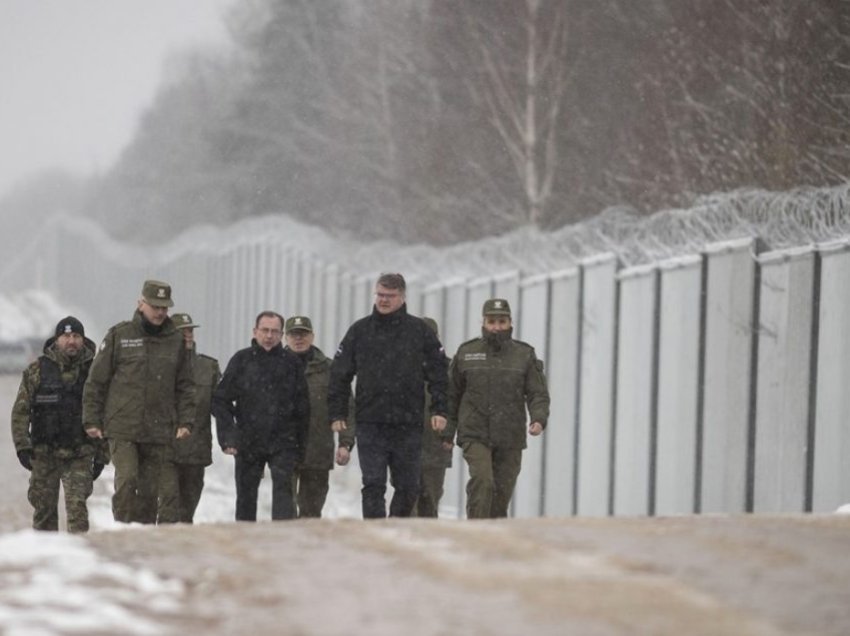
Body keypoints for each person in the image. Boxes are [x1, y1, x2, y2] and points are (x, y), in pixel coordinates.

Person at [329, 272, 449, 519]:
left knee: (408, 487)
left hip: (408, 423)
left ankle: (397, 526)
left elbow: (439, 371)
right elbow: (340, 373)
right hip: (370, 422)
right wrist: (338, 412)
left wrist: (439, 409)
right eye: (380, 295)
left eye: (390, 296)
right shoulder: (360, 331)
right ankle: (375, 530)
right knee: (373, 483)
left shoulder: (419, 331)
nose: (383, 300)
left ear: (402, 298)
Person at [82, 280, 195, 524]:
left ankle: (143, 535)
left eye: (164, 307)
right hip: (123, 426)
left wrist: (185, 420)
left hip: (159, 428)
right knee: (127, 479)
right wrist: (91, 419)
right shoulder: (120, 335)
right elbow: (96, 380)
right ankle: (123, 527)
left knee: (149, 490)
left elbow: (185, 385)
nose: (160, 312)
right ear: (140, 303)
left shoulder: (175, 340)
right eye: (155, 306)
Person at [446, 298, 550, 519]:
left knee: (501, 492)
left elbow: (537, 393)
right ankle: (476, 529)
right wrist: (448, 432)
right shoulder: (467, 352)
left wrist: (538, 419)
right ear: (482, 322)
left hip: (510, 434)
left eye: (501, 321)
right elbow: (451, 396)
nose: (496, 327)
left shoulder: (524, 355)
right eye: (491, 321)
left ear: (510, 322)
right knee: (483, 481)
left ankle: (494, 536)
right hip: (475, 432)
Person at [11, 316, 106, 533]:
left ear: (83, 339)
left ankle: (78, 562)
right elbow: (20, 412)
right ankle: (46, 561)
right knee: (43, 514)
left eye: (76, 336)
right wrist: (22, 448)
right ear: (57, 339)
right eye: (66, 336)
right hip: (44, 454)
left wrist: (102, 455)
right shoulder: (37, 370)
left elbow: (105, 415)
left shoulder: (95, 372)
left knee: (78, 514)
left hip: (80, 454)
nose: (71, 341)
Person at [212, 311, 309, 521]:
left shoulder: (292, 363)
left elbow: (303, 407)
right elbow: (221, 400)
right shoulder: (242, 360)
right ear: (255, 331)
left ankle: (281, 540)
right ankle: (245, 540)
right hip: (249, 440)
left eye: (275, 331)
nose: (269, 336)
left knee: (284, 493)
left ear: (282, 335)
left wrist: (301, 445)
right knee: (246, 497)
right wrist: (229, 435)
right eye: (265, 330)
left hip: (284, 441)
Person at [283, 315, 355, 518]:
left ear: (312, 336)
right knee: (283, 510)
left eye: (303, 334)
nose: (299, 339)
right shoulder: (273, 366)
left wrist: (345, 443)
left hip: (318, 449)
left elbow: (346, 407)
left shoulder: (330, 370)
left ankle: (308, 547)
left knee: (312, 511)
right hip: (283, 449)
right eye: (294, 335)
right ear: (285, 337)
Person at [159, 312, 221, 523]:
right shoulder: (157, 366)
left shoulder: (208, 368)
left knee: (187, 513)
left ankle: (180, 552)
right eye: (181, 331)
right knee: (168, 506)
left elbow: (220, 406)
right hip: (164, 450)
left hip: (196, 452)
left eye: (190, 330)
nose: (187, 335)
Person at [413, 317, 453, 518]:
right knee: (407, 497)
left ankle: (425, 540)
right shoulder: (400, 368)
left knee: (430, 498)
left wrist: (449, 434)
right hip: (406, 443)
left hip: (436, 443)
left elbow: (458, 404)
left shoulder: (449, 370)